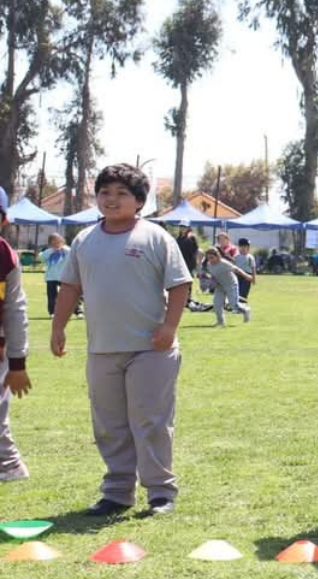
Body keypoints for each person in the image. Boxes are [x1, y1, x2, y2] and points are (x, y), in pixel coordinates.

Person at [50, 164, 192, 517]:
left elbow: (180, 285)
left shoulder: (156, 237)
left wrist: (169, 327)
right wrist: (58, 328)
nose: (111, 200)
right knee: (109, 424)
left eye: (121, 194)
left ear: (140, 202)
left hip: (151, 349)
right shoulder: (84, 240)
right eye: (104, 193)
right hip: (101, 349)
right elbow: (70, 288)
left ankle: (160, 492)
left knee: (150, 420)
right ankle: (117, 493)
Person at [0, 187, 32, 484]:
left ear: (4, 220)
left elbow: (15, 309)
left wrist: (18, 363)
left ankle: (9, 465)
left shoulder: (5, 257)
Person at [202, 248, 251, 326]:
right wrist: (211, 282)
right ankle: (220, 322)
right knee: (217, 304)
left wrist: (246, 276)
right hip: (220, 286)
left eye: (212, 257)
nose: (210, 260)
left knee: (233, 305)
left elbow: (237, 269)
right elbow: (213, 275)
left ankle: (246, 310)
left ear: (217, 256)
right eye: (208, 258)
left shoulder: (224, 263)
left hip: (231, 285)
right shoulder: (209, 265)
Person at [38, 233, 70, 317]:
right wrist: (51, 250)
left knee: (69, 294)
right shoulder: (48, 251)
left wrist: (63, 248)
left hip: (64, 276)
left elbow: (72, 255)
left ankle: (78, 311)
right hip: (51, 277)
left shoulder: (66, 250)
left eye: (58, 241)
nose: (56, 244)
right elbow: (41, 258)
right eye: (53, 242)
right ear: (50, 243)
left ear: (62, 241)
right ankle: (52, 312)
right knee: (51, 296)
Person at [175, 223, 203, 311]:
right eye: (181, 227)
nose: (182, 228)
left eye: (184, 227)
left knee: (188, 283)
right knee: (180, 283)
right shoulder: (178, 239)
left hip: (189, 264)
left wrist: (197, 264)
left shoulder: (191, 238)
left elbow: (196, 251)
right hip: (180, 264)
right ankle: (182, 300)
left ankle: (188, 300)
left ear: (188, 228)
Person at [234, 238, 257, 302]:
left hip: (247, 276)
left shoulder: (250, 257)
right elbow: (233, 267)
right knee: (237, 290)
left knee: (244, 290)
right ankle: (236, 303)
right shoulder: (236, 257)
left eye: (247, 247)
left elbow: (253, 268)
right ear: (240, 247)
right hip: (238, 275)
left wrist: (254, 279)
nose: (245, 249)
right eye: (243, 247)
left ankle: (243, 302)